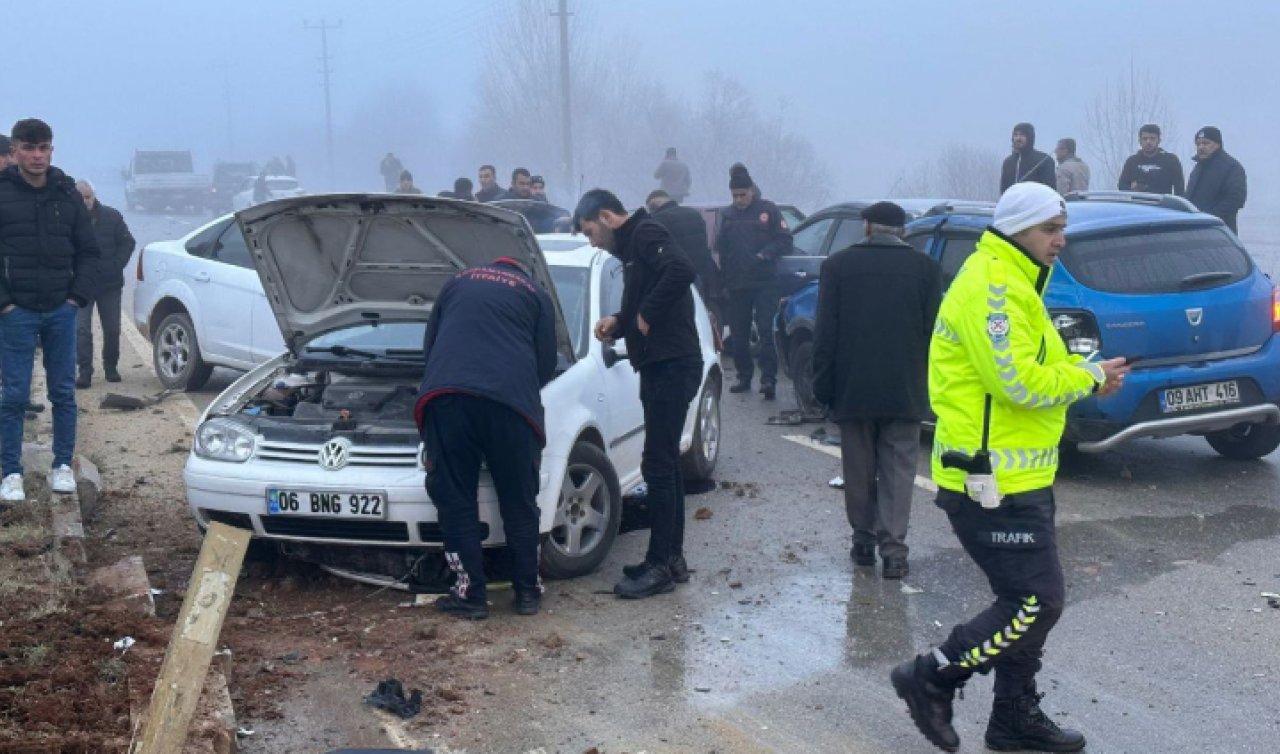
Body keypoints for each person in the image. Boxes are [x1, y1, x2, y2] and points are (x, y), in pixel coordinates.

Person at [891, 182, 1128, 753]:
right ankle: (932, 674)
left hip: (1019, 476)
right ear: (1018, 229)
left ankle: (1013, 717)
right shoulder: (994, 288)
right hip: (987, 482)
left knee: (1026, 604)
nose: (1060, 241)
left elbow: (1026, 365)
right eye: (1050, 229)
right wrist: (1088, 377)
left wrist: (1080, 366)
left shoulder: (1016, 283)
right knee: (1034, 602)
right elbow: (1016, 381)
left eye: (1061, 228)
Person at [414, 257, 558, 620]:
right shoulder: (538, 295)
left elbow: (430, 347)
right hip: (511, 406)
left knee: (456, 499)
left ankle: (470, 596)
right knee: (519, 499)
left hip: (448, 397)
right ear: (524, 272)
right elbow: (546, 363)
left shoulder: (455, 282)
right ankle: (527, 592)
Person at [576, 188, 702, 599]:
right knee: (664, 463)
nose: (591, 240)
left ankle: (660, 565)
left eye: (591, 230)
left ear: (608, 216)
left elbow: (681, 270)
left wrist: (645, 316)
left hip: (672, 365)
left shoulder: (646, 233)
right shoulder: (632, 248)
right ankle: (672, 559)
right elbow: (648, 290)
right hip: (660, 365)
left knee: (658, 466)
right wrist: (621, 320)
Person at [811, 202, 942, 580]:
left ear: (867, 227)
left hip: (853, 388)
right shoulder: (926, 270)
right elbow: (934, 334)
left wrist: (823, 386)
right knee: (900, 469)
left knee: (859, 467)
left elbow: (825, 334)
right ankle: (895, 552)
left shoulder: (837, 266)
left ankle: (863, 542)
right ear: (902, 231)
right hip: (905, 388)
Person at [0, 118, 101, 502]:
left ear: (51, 150)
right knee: (12, 396)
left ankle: (62, 465)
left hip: (61, 309)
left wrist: (77, 297)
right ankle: (10, 472)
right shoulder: (3, 192)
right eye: (28, 148)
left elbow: (89, 250)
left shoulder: (66, 193)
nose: (37, 156)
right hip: (17, 312)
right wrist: (4, 303)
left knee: (63, 393)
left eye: (43, 148)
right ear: (15, 151)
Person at [716, 164, 792, 400]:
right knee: (739, 334)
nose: (739, 200)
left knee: (765, 331)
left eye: (742, 194)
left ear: (751, 190)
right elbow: (720, 248)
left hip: (764, 282)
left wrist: (764, 254)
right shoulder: (727, 215)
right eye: (735, 195)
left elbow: (785, 241)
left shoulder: (768, 211)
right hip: (737, 284)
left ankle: (768, 379)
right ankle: (743, 376)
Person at [74, 180, 135, 389]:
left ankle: (110, 366)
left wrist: (116, 264)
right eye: (80, 197)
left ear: (94, 195)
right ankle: (85, 371)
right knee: (81, 330)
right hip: (81, 285)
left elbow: (128, 242)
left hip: (109, 284)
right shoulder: (68, 219)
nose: (85, 201)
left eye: (88, 196)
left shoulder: (112, 216)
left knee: (112, 329)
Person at [645, 189, 718, 317]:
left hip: (676, 277)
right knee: (699, 315)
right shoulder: (694, 214)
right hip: (700, 274)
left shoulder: (657, 220)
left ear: (653, 205)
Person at [1185, 126, 1247, 233]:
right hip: (1194, 229)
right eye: (1198, 144)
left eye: (1206, 143)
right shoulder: (1198, 167)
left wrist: (1209, 217)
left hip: (1219, 232)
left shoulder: (1232, 168)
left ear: (1218, 144)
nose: (1201, 147)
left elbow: (1236, 199)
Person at [1116, 124, 1184, 195]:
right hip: (1137, 204)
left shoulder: (1171, 161)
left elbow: (1180, 190)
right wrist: (1132, 188)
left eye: (1152, 138)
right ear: (1140, 141)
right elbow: (1121, 186)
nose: (1148, 142)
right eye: (1145, 138)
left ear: (1159, 140)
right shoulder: (1132, 161)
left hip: (1162, 205)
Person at [1000, 123, 1055, 192]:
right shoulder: (1008, 162)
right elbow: (1004, 191)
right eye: (1016, 135)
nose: (1018, 138)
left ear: (1030, 137)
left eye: (1022, 135)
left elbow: (1049, 191)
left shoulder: (1044, 161)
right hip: (1012, 202)